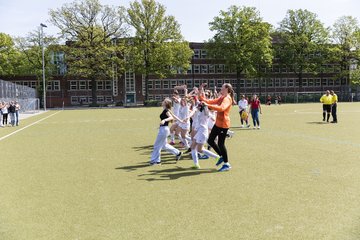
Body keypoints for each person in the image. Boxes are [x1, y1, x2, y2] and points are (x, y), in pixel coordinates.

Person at [200, 83, 235, 172]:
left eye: (222, 88)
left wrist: (208, 106)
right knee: (210, 140)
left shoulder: (227, 99)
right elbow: (212, 101)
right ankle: (222, 157)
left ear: (227, 89)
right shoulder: (222, 97)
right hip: (218, 123)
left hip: (223, 124)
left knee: (221, 144)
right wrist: (202, 98)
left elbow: (221, 108)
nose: (221, 89)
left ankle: (227, 164)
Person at [149, 98, 183, 165]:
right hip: (164, 129)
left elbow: (171, 117)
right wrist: (181, 120)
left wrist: (164, 120)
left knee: (157, 145)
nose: (162, 102)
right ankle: (178, 153)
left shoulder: (166, 111)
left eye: (164, 101)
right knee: (164, 146)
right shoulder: (166, 110)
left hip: (164, 130)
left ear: (166, 103)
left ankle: (156, 161)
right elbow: (174, 116)